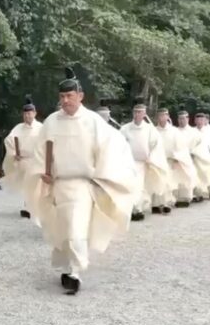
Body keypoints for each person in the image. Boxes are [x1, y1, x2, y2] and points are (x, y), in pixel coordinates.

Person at [23, 69, 137, 295]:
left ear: (80, 96)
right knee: (61, 229)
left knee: (76, 228)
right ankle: (67, 267)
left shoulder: (93, 121)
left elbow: (112, 148)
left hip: (82, 185)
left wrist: (101, 174)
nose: (65, 101)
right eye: (62, 97)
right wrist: (42, 173)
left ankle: (75, 272)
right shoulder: (51, 122)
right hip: (57, 184)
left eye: (70, 96)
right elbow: (40, 152)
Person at [120, 104, 169, 220]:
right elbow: (120, 144)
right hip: (129, 163)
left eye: (139, 112)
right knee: (132, 186)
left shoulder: (150, 129)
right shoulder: (125, 129)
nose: (137, 115)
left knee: (141, 186)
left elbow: (156, 145)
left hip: (145, 163)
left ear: (144, 114)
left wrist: (151, 158)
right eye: (135, 112)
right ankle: (133, 209)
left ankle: (138, 209)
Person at [3, 98, 43, 218]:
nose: (27, 116)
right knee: (26, 185)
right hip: (24, 160)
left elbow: (46, 143)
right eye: (25, 113)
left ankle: (35, 207)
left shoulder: (41, 128)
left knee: (36, 185)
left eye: (29, 113)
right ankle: (28, 207)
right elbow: (9, 141)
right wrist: (14, 153)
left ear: (34, 113)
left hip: (36, 159)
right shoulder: (18, 128)